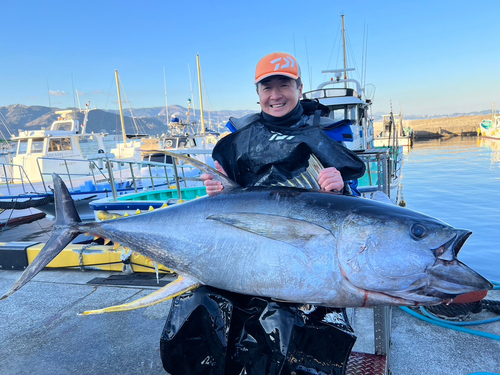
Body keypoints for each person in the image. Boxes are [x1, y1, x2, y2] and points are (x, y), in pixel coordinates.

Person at [160, 52, 366, 375]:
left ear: (299, 87)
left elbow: (354, 208)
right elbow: (231, 194)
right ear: (257, 93)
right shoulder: (239, 141)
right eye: (266, 87)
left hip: (306, 260)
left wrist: (341, 187)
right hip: (248, 255)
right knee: (199, 303)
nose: (275, 95)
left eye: (283, 84)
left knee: (292, 326)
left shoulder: (325, 134)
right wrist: (216, 190)